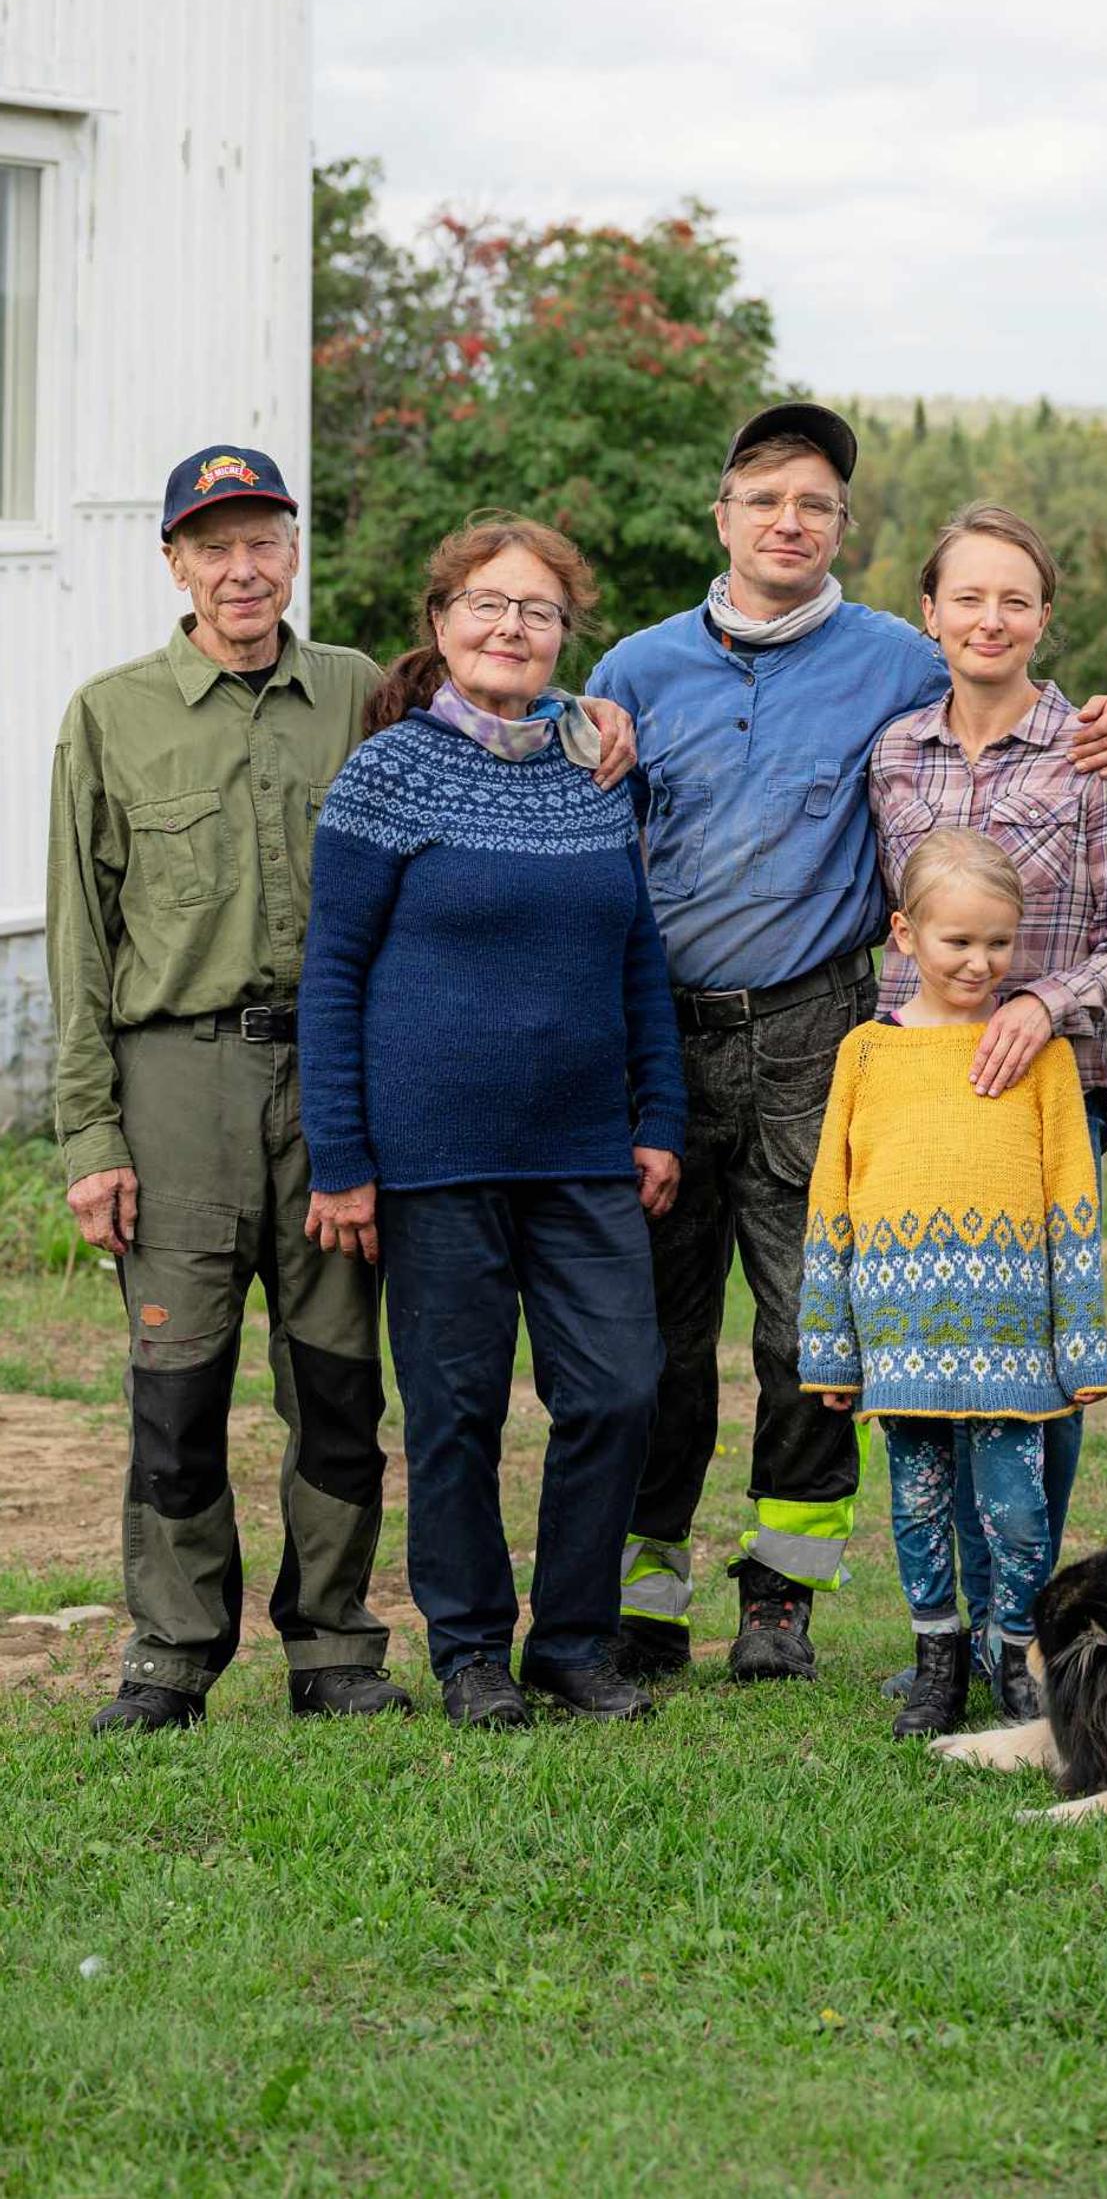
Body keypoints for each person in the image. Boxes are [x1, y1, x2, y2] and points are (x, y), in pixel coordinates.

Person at [586, 402, 1107, 1684]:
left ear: (845, 526)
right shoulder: (633, 670)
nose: (791, 522)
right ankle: (646, 1591)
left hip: (815, 1029)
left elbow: (1003, 679)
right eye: (765, 499)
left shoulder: (894, 659)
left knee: (810, 1331)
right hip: (663, 1034)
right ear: (722, 517)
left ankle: (781, 1598)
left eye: (818, 505)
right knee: (651, 1337)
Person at [298, 517, 684, 1731]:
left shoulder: (593, 768)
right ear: (442, 621)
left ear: (569, 636)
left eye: (538, 611)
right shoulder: (387, 772)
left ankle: (573, 1645)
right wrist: (345, 1157)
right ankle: (469, 1650)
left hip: (583, 1150)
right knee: (454, 1411)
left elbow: (637, 958)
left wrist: (659, 1113)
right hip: (433, 1157)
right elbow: (334, 969)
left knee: (620, 1391)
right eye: (487, 603)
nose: (511, 627)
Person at [46, 446, 406, 1732]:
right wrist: (90, 1134)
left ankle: (337, 1646)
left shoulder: (362, 693)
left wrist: (598, 722)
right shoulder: (110, 713)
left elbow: (498, 718)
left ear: (294, 550)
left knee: (338, 1381)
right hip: (174, 1083)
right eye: (214, 544)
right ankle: (171, 1652)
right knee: (178, 1389)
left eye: (263, 538)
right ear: (175, 563)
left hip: (330, 1079)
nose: (242, 566)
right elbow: (82, 939)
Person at [869, 503, 1107, 1680]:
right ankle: (941, 1633)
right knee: (928, 1352)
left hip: (1046, 1095)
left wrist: (1044, 1005)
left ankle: (1019, 1630)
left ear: (1044, 617)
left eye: (1017, 599)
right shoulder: (893, 753)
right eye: (968, 597)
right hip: (916, 1102)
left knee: (1033, 1370)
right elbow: (883, 920)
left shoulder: (1098, 751)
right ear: (930, 613)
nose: (991, 619)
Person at [797, 830, 1107, 1736]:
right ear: (904, 935)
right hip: (900, 1337)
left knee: (1017, 1509)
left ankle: (1015, 1657)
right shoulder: (865, 1053)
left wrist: (1079, 1340)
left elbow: (1070, 1203)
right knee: (918, 1504)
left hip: (1012, 1341)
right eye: (956, 941)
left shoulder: (1039, 1056)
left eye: (998, 943)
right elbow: (832, 1200)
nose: (979, 962)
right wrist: (830, 1343)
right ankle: (937, 1660)